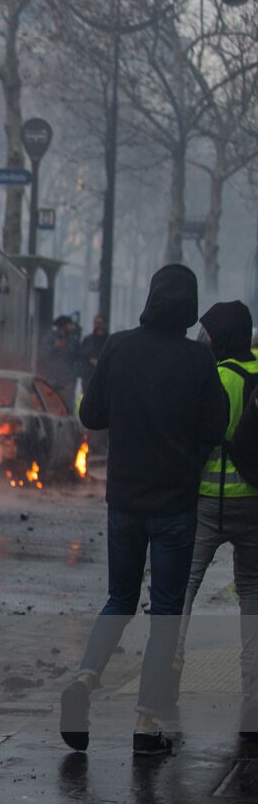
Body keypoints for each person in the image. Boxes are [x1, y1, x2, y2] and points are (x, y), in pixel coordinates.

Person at [60, 264, 227, 756]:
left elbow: (91, 415)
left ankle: (86, 678)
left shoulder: (118, 346)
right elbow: (215, 427)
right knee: (167, 613)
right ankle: (144, 724)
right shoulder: (198, 359)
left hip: (125, 501)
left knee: (119, 598)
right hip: (175, 503)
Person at [175, 301, 258, 740]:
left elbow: (199, 433)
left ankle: (165, 682)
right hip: (256, 504)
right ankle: (253, 701)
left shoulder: (218, 375)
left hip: (210, 501)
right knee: (252, 597)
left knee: (182, 589)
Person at [78, 315, 109, 389]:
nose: (98, 325)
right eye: (96, 323)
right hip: (88, 376)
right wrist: (90, 360)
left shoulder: (109, 339)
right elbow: (81, 354)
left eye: (100, 323)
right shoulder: (88, 339)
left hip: (103, 375)